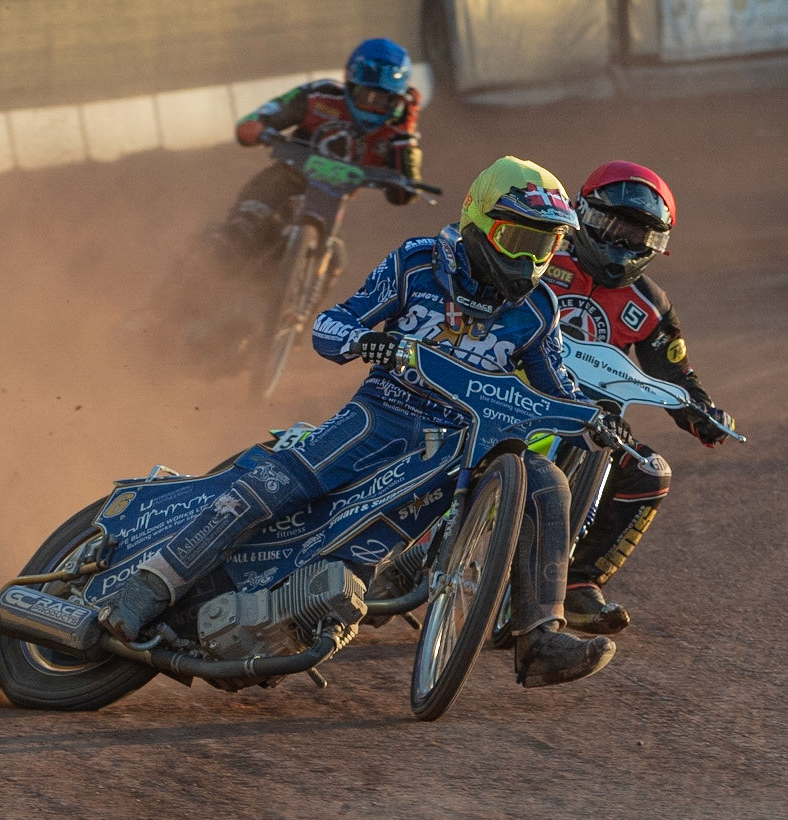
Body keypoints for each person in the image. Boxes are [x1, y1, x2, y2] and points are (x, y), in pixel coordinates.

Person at [100, 156, 620, 688]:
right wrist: (363, 340)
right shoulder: (418, 263)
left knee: (547, 480)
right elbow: (330, 324)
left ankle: (539, 637)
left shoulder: (539, 311)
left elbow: (562, 391)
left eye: (545, 246)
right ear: (479, 222)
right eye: (518, 239)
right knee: (273, 486)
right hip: (378, 417)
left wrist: (599, 421)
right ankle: (147, 589)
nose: (529, 260)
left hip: (455, 450)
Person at [542, 161, 736, 634]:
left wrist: (703, 415)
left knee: (649, 470)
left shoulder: (649, 304)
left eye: (640, 237)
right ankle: (404, 547)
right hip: (502, 392)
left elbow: (675, 374)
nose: (624, 244)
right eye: (614, 227)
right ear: (582, 214)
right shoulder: (539, 253)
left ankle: (577, 583)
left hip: (593, 420)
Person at [219, 37, 425, 269]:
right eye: (366, 95)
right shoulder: (320, 95)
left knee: (334, 259)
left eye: (383, 99)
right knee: (239, 232)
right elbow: (256, 121)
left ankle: (296, 304)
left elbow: (404, 194)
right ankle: (196, 266)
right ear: (349, 82)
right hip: (284, 179)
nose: (371, 106)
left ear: (398, 98)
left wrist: (407, 134)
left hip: (330, 201)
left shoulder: (398, 128)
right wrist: (257, 127)